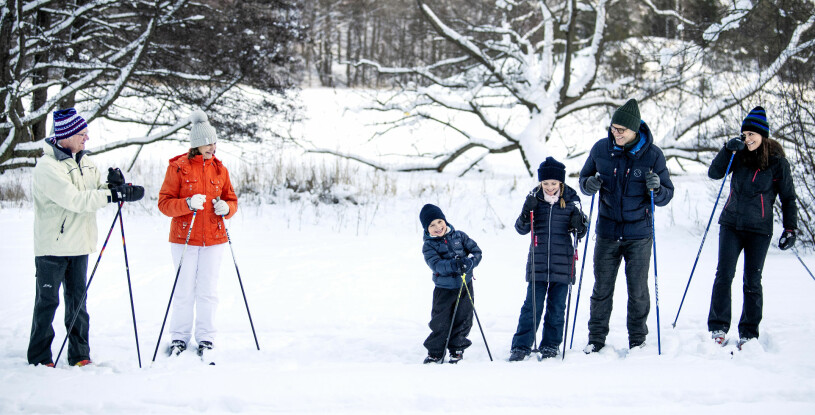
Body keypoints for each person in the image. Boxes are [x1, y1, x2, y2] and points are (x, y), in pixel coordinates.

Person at [29, 108, 144, 367]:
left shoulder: (87, 162)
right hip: (52, 247)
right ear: (66, 135)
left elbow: (93, 192)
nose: (86, 139)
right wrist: (110, 196)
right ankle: (39, 357)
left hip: (79, 243)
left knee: (78, 303)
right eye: (82, 134)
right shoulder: (47, 167)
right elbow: (74, 200)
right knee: (47, 303)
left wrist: (116, 188)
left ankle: (79, 354)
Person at [578, 98, 674, 353]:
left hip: (639, 235)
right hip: (608, 231)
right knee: (601, 289)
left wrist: (658, 188)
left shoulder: (653, 155)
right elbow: (584, 178)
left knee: (638, 291)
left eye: (621, 130)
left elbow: (667, 195)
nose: (616, 134)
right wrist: (589, 185)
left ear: (634, 130)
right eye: (613, 128)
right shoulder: (601, 149)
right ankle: (596, 339)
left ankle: (638, 339)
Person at [707, 106, 797, 349]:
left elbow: (788, 198)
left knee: (752, 281)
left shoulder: (778, 163)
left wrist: (790, 229)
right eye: (744, 134)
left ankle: (748, 331)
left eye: (751, 134)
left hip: (759, 229)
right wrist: (727, 150)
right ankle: (718, 326)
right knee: (724, 275)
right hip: (731, 224)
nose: (747, 139)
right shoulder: (737, 155)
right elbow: (714, 173)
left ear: (763, 135)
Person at [157, 110, 238, 359]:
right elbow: (164, 203)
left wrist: (227, 208)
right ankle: (179, 338)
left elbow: (231, 200)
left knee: (208, 290)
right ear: (196, 144)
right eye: (208, 143)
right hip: (184, 238)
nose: (213, 147)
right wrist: (188, 203)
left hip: (214, 239)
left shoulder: (219, 170)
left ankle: (206, 337)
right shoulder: (178, 168)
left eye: (214, 142)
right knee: (184, 290)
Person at [509, 157, 587, 361]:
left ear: (560, 182)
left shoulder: (572, 201)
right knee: (532, 306)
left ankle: (551, 344)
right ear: (540, 182)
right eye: (546, 183)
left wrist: (580, 224)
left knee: (557, 307)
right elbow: (520, 229)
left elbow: (580, 233)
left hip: (563, 263)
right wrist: (527, 211)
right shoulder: (534, 199)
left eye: (553, 183)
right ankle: (521, 345)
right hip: (539, 262)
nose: (550, 187)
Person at [420, 204, 483, 364]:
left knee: (464, 318)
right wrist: (454, 265)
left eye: (439, 222)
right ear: (427, 229)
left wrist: (469, 263)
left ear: (445, 221)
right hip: (444, 288)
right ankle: (435, 352)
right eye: (432, 225)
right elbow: (436, 265)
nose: (437, 227)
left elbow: (477, 252)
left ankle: (457, 348)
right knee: (440, 321)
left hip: (464, 285)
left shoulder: (460, 236)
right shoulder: (429, 245)